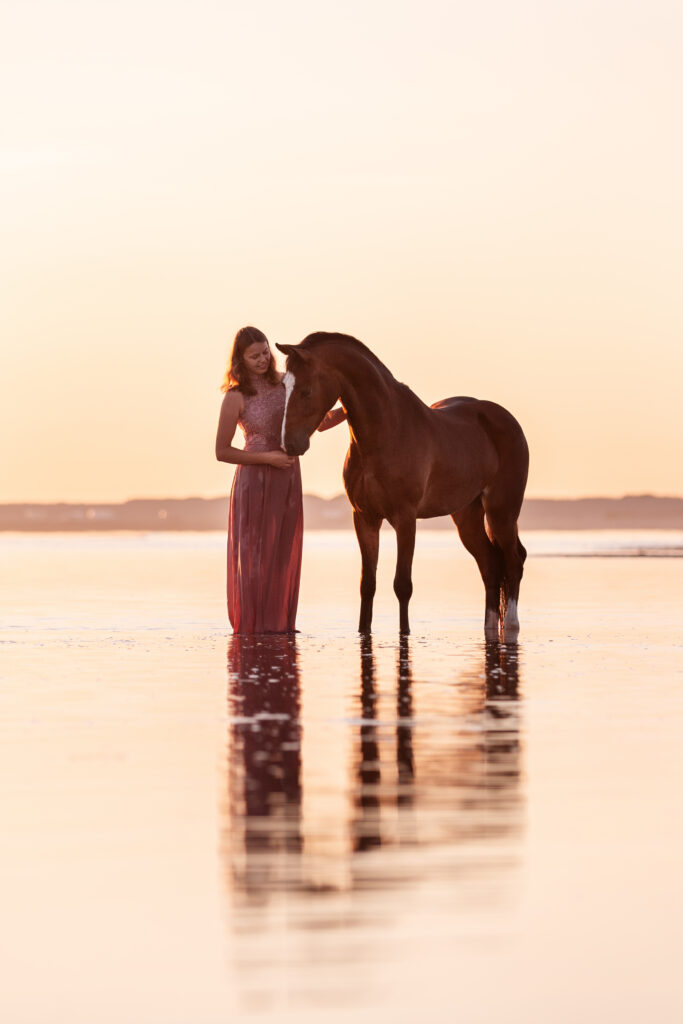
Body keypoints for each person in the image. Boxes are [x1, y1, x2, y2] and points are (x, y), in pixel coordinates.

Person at [215, 326, 345, 633]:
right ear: (240, 359)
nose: (262, 360)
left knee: (283, 553)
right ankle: (252, 627)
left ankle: (280, 626)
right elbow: (222, 451)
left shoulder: (288, 384)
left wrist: (347, 410)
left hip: (286, 480)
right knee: (254, 554)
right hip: (253, 482)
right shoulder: (235, 396)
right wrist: (268, 458)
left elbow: (315, 422)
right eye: (254, 356)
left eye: (265, 352)